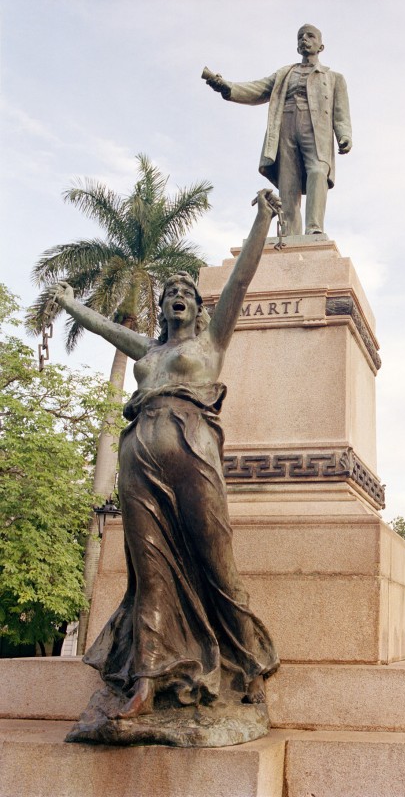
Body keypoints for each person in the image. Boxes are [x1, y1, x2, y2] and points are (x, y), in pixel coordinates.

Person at [48, 190, 283, 720]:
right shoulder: (149, 351)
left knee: (217, 564)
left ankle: (248, 667)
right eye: (171, 292)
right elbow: (104, 329)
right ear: (163, 308)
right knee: (149, 572)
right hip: (139, 456)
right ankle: (147, 684)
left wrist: (264, 220)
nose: (178, 296)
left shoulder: (210, 344)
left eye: (186, 292)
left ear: (199, 309)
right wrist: (69, 306)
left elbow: (241, 279)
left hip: (192, 452)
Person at [204, 24, 352, 236]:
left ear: (321, 46)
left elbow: (341, 112)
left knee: (318, 172)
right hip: (286, 125)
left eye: (310, 36)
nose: (304, 39)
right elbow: (258, 88)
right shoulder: (285, 73)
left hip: (316, 130)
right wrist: (228, 88)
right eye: (301, 37)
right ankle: (289, 233)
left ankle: (314, 228)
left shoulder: (334, 77)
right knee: (288, 184)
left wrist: (344, 135)